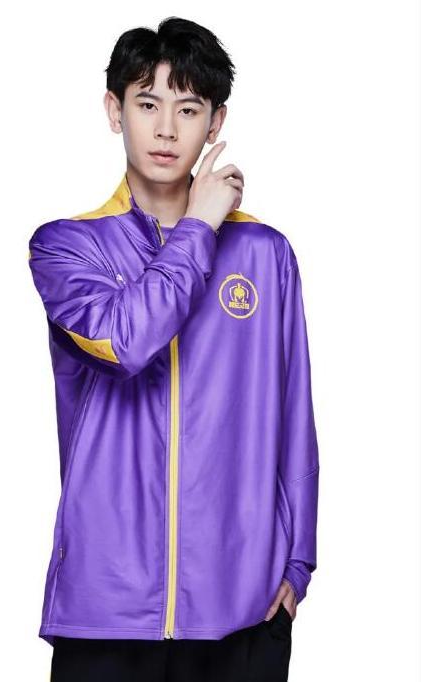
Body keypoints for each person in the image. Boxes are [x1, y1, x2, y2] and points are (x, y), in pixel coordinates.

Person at [28, 16, 320, 682]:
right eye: (147, 103)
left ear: (215, 123)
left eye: (188, 109)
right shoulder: (66, 247)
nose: (166, 129)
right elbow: (125, 343)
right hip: (105, 612)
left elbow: (293, 414)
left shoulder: (265, 253)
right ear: (115, 111)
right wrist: (199, 226)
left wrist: (298, 563)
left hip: (243, 609)